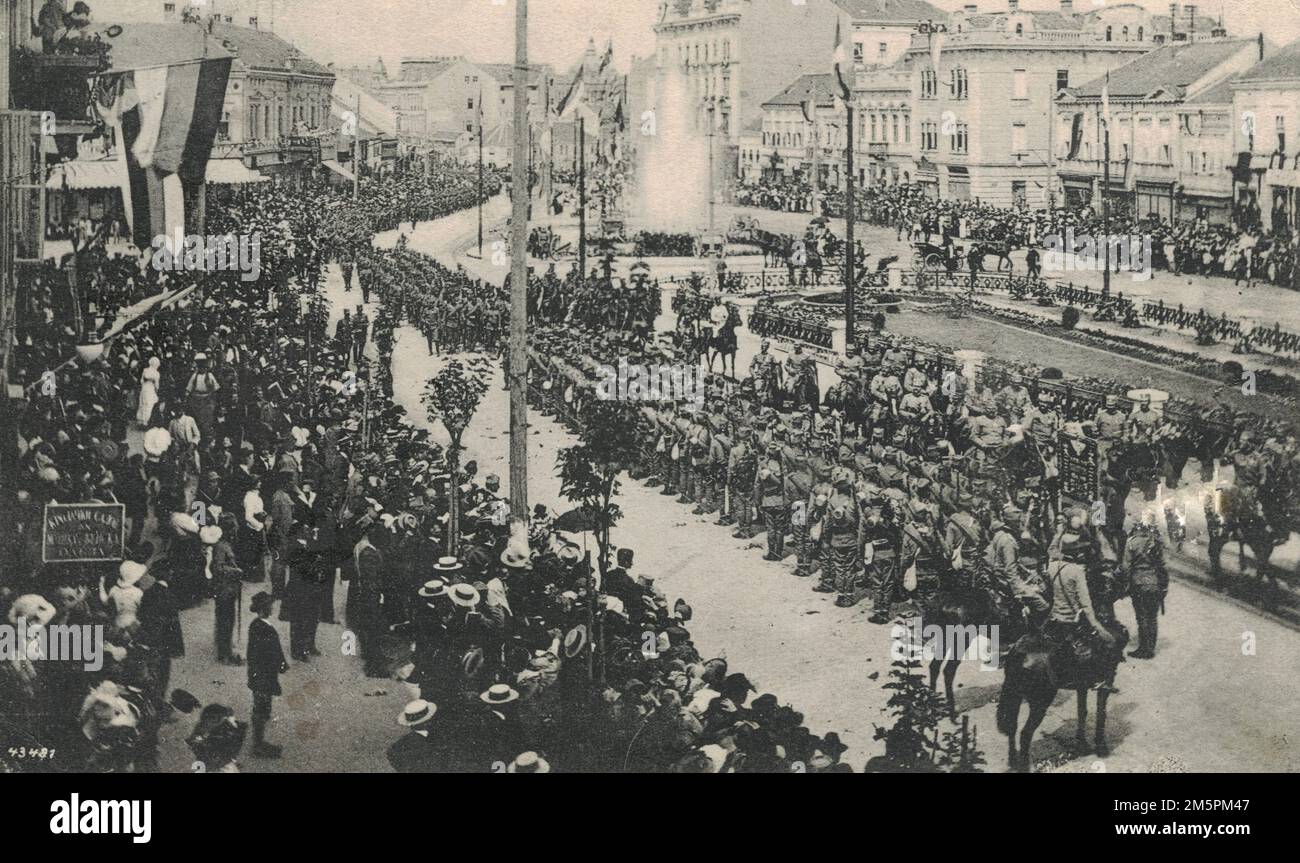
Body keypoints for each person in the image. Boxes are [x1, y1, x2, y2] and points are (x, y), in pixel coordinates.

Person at [247, 591, 287, 758]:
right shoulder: (263, 628)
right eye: (270, 605)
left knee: (262, 706)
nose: (272, 607)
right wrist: (281, 664)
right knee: (261, 708)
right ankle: (258, 744)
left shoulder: (257, 625)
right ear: (264, 609)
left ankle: (259, 741)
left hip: (261, 673)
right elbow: (271, 651)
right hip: (263, 674)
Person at [1123, 518, 1167, 659]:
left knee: (1141, 616)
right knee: (1152, 617)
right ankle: (1151, 648)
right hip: (1154, 584)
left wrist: (1125, 584)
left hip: (1139, 583)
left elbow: (1126, 567)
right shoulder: (1156, 543)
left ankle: (1144, 649)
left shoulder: (1132, 543)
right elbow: (1162, 565)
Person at [136, 356, 161, 427]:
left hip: (144, 388)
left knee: (142, 404)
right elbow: (157, 385)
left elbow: (141, 381)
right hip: (151, 389)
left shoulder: (145, 370)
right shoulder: (156, 373)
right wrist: (156, 391)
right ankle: (146, 422)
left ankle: (141, 421)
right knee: (149, 405)